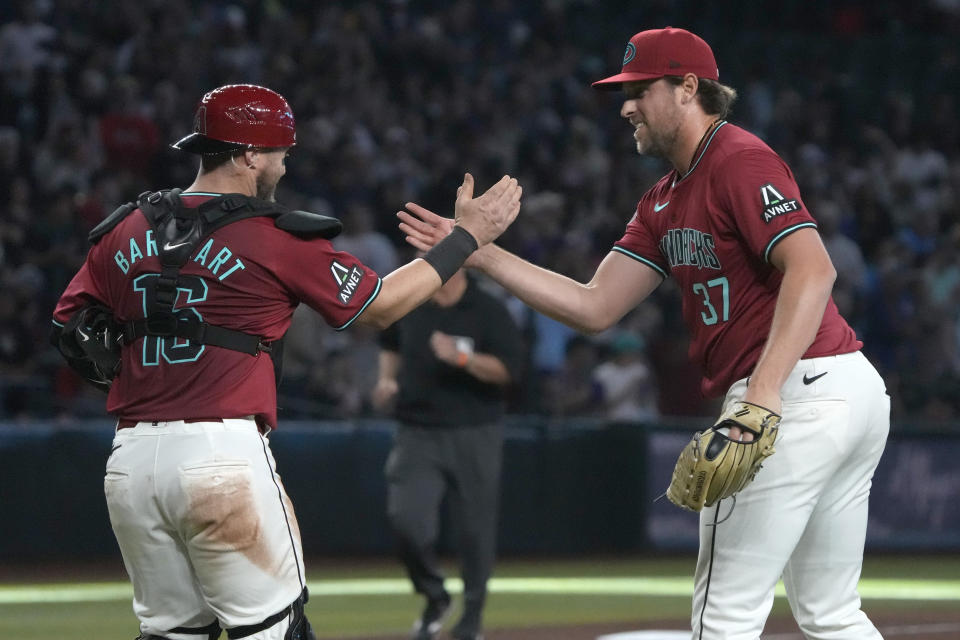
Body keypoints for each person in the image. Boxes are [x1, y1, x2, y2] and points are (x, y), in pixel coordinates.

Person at [398, 28, 890, 640]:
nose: (625, 105)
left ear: (689, 89)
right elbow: (595, 305)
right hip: (836, 391)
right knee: (831, 612)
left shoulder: (737, 157)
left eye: (639, 89)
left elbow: (815, 269)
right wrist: (477, 253)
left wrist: (762, 396)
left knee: (725, 616)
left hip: (796, 392)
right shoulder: (662, 200)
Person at [50, 83, 521, 640]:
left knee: (173, 635)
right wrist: (466, 238)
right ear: (249, 154)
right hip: (219, 457)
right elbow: (380, 307)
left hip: (130, 463)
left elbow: (70, 328)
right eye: (279, 152)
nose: (283, 162)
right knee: (276, 631)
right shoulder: (270, 234)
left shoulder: (126, 227)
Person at [372, 267, 523, 640]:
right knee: (407, 519)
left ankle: (472, 617)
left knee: (475, 530)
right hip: (417, 430)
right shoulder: (410, 302)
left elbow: (510, 371)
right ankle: (435, 596)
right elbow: (389, 342)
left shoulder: (488, 308)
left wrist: (462, 359)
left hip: (475, 431)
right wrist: (386, 379)